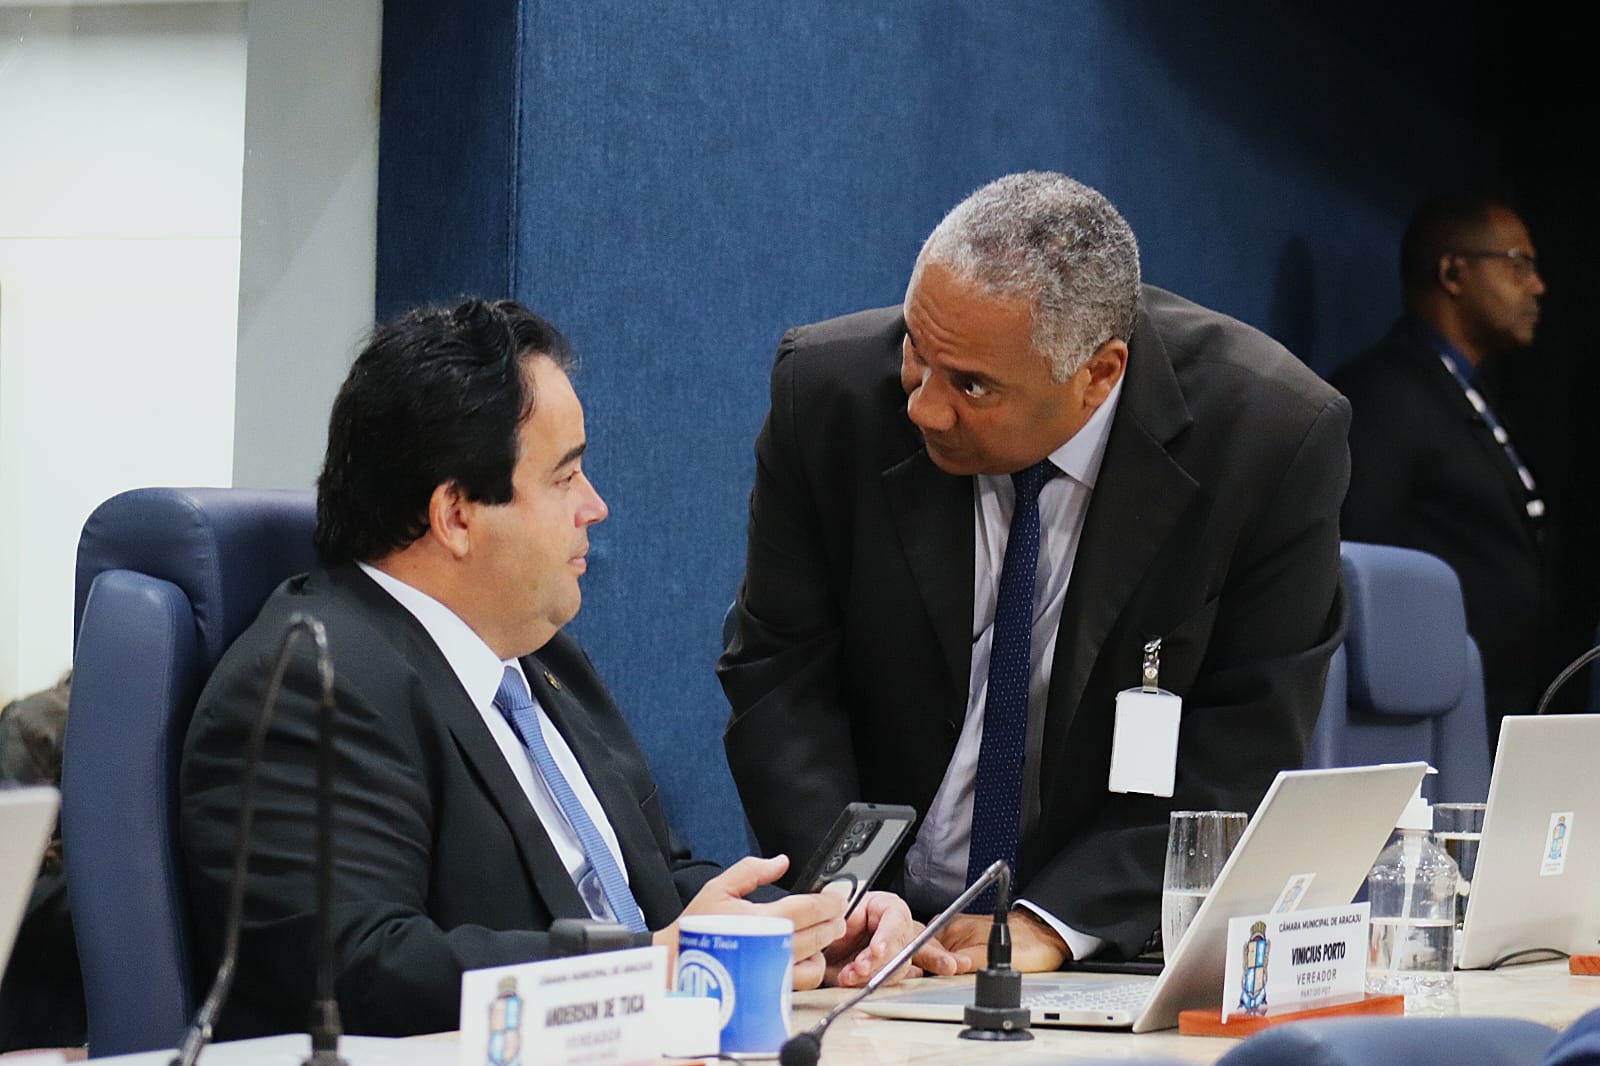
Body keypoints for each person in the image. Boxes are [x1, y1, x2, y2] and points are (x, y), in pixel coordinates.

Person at [180, 299, 945, 1039]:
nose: (595, 506)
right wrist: (647, 968)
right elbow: (362, 967)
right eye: (565, 477)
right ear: (456, 515)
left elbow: (655, 881)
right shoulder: (313, 682)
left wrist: (799, 930)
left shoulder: (541, 658)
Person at [718, 172, 1349, 969]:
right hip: (869, 926)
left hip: (1095, 931)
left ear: (1098, 375)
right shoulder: (828, 394)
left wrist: (1052, 925)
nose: (924, 407)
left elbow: (1246, 738)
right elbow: (778, 675)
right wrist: (850, 895)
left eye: (971, 385)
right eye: (916, 351)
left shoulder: (1269, 438)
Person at [1333, 194, 1552, 748]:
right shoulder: (1384, 393)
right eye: (1519, 264)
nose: (1537, 286)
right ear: (1453, 273)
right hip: (1428, 729)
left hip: (1497, 714)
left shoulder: (1467, 393)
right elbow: (1357, 558)